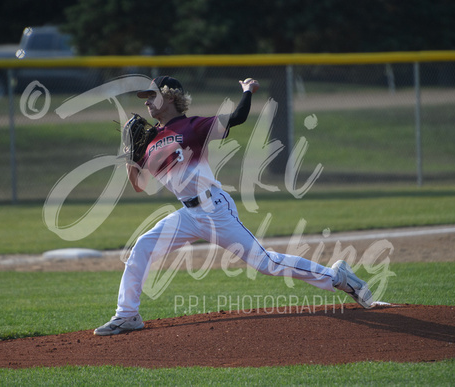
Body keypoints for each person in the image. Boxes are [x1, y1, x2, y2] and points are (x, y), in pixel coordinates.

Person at [94, 76, 373, 335]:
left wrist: (247, 92)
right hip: (188, 214)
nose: (146, 102)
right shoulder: (151, 139)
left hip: (214, 209)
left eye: (151, 96)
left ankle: (337, 277)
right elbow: (139, 185)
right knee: (142, 246)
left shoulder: (193, 126)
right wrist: (131, 157)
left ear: (169, 98)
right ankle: (127, 314)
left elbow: (238, 117)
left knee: (265, 263)